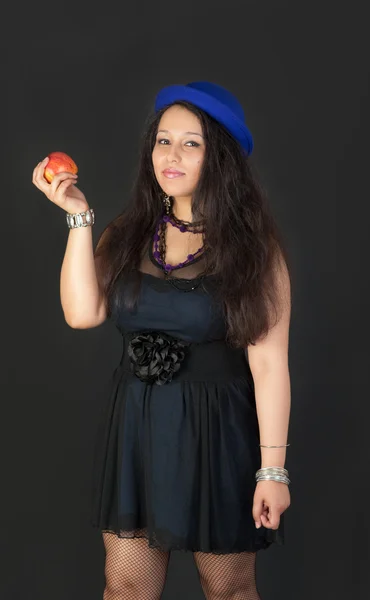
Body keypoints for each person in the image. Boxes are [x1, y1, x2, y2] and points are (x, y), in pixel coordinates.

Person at [32, 81, 292, 600]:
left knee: (231, 590)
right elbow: (83, 313)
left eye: (191, 143)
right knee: (125, 586)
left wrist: (273, 471)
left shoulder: (254, 251)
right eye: (163, 140)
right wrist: (79, 218)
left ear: (218, 155)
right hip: (137, 429)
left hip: (219, 436)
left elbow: (269, 367)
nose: (171, 155)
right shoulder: (129, 233)